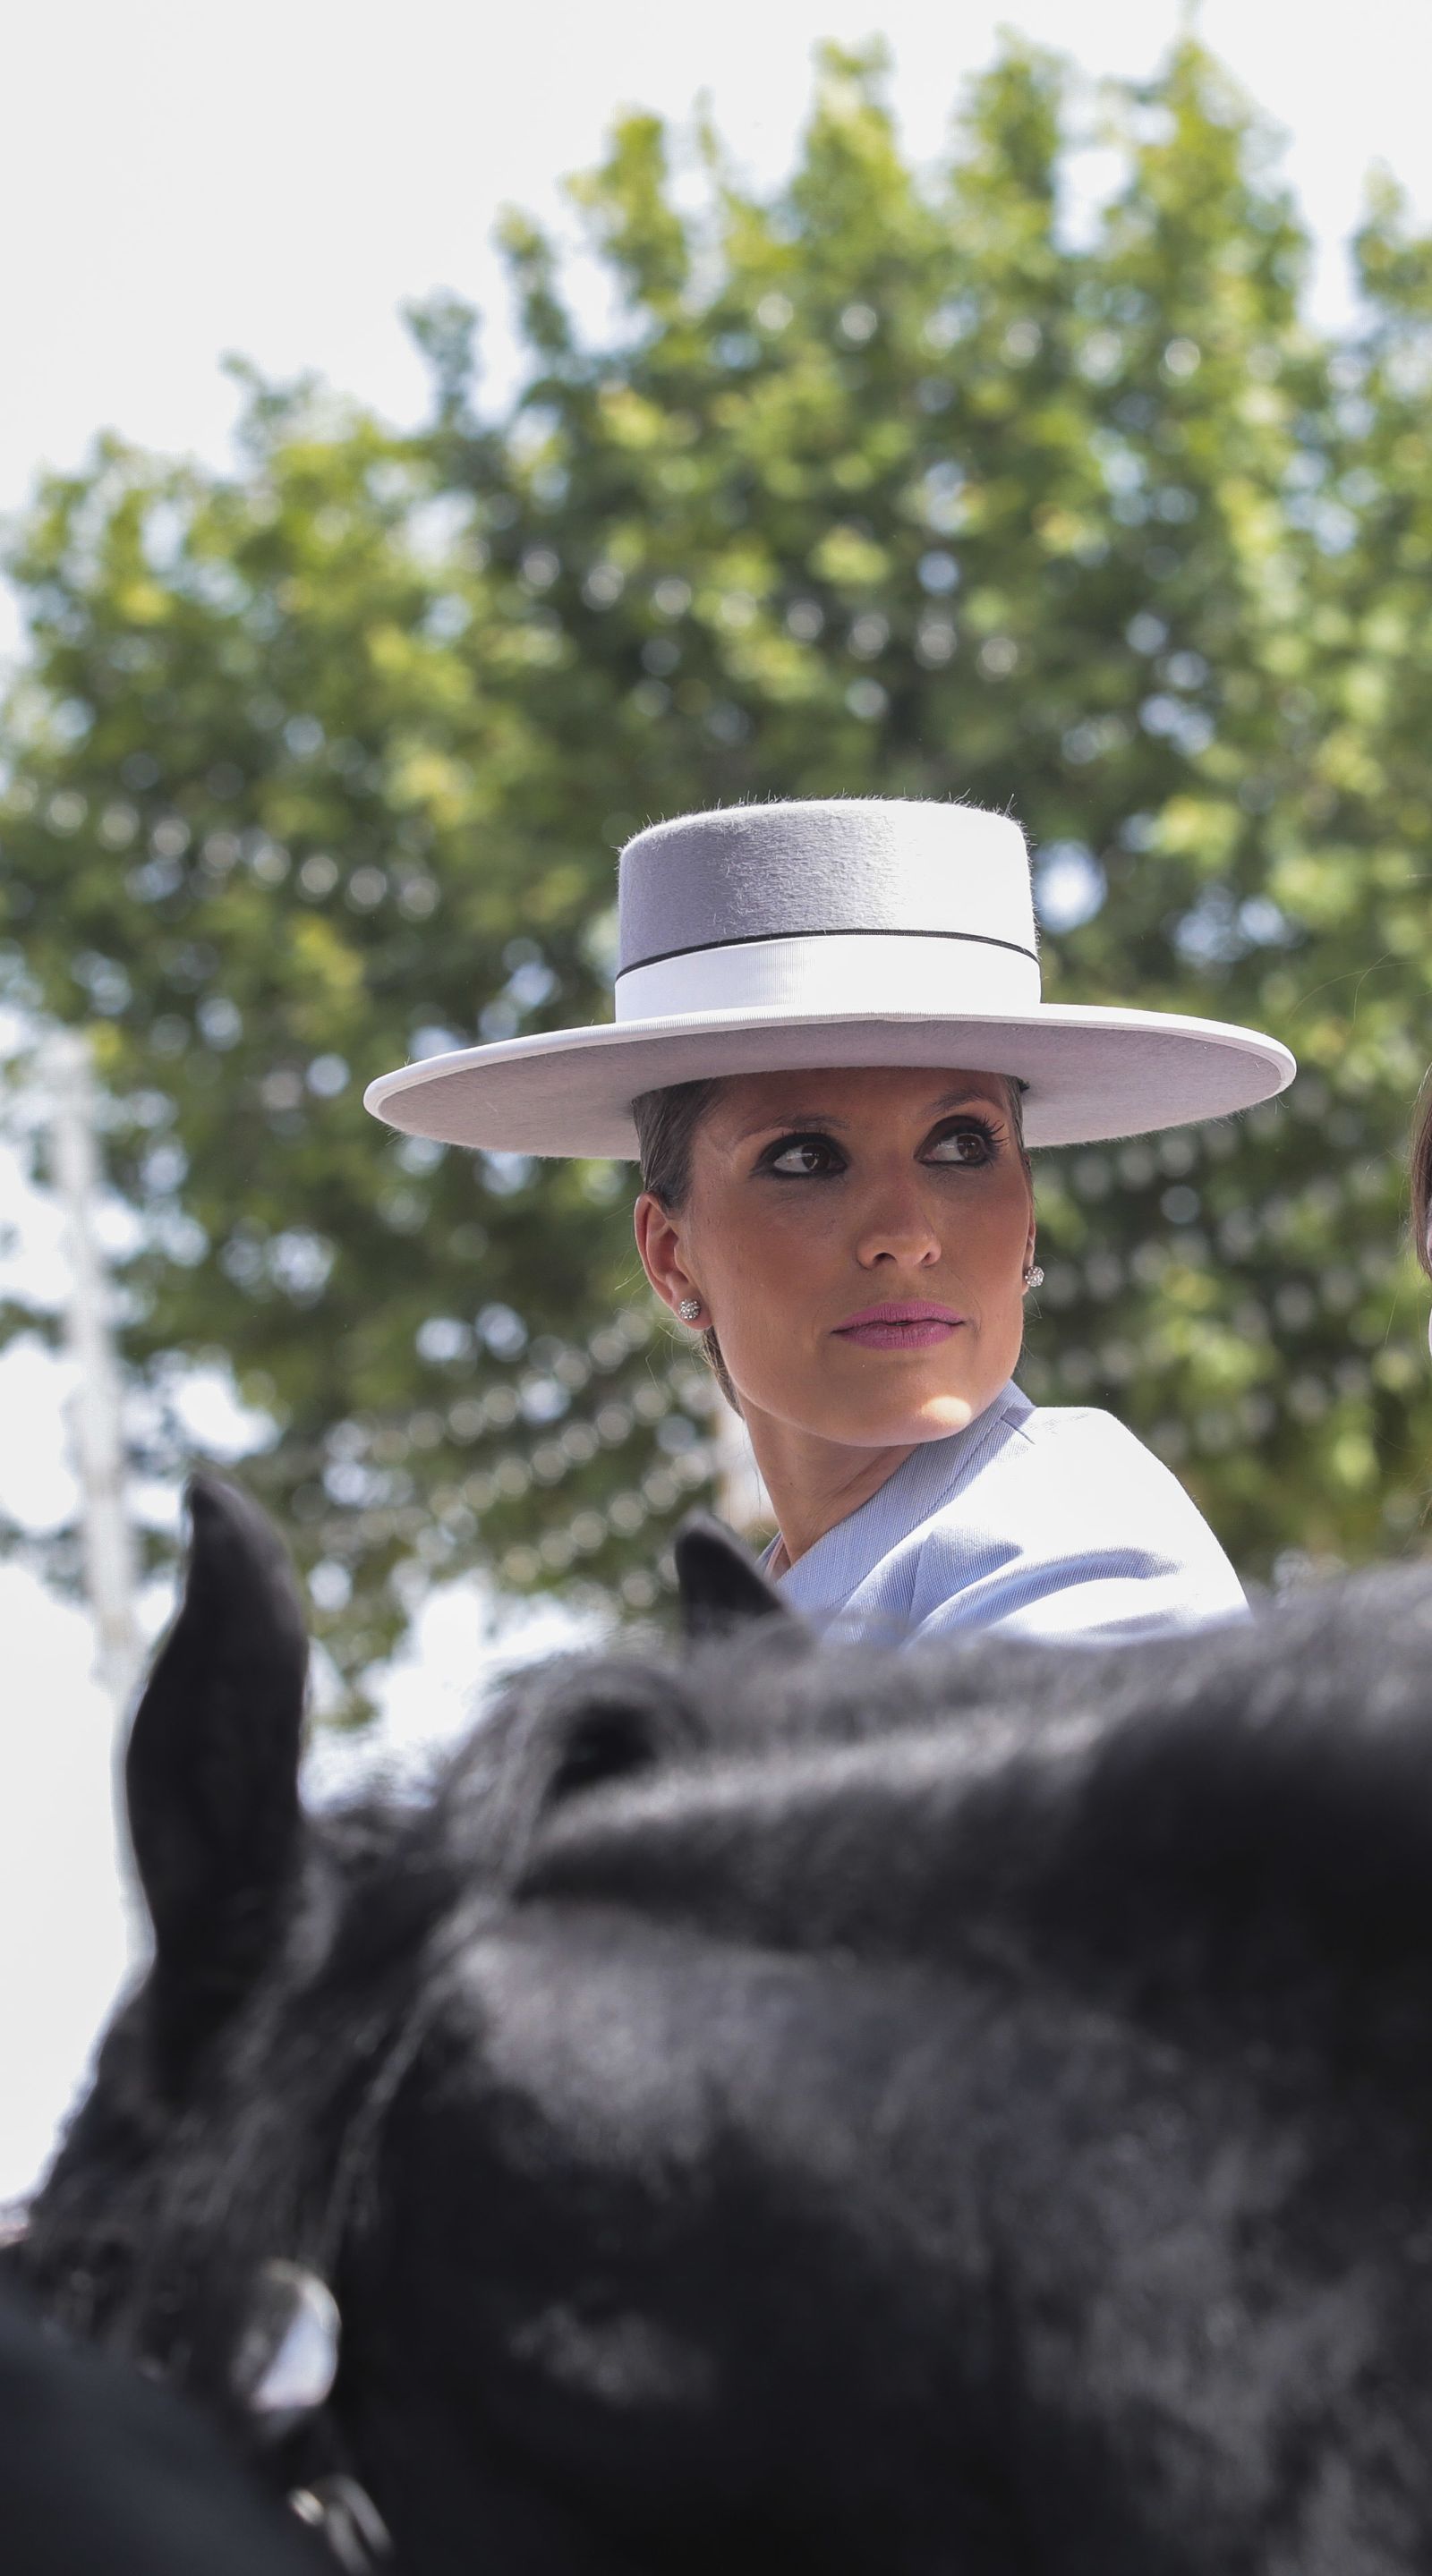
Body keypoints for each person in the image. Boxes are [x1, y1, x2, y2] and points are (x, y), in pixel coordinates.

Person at [365, 799, 1294, 1644]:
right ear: (670, 1256)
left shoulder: (1079, 1544)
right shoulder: (778, 1608)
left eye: (963, 1146)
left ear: (1028, 1223)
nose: (905, 1230)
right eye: (805, 1158)